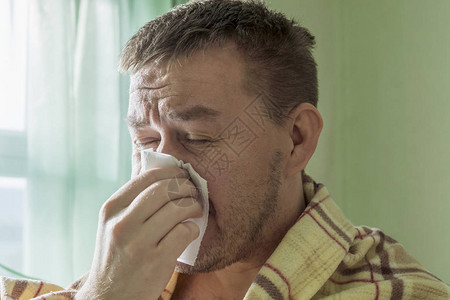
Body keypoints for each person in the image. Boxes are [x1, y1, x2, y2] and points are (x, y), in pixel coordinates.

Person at [1, 1, 449, 299]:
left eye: (197, 138)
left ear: (297, 139)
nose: (162, 170)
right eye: (145, 142)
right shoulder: (120, 280)